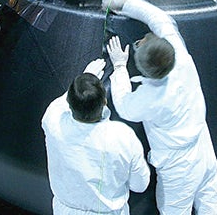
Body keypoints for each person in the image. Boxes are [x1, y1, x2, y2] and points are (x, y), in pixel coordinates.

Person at [104, 0, 217, 215]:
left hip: (179, 167)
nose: (141, 41)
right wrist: (125, 3)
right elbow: (160, 20)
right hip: (203, 146)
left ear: (143, 68)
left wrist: (120, 67)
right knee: (211, 203)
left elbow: (123, 106)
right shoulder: (180, 56)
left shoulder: (151, 97)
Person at [41, 58, 150, 214]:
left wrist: (87, 77)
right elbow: (140, 185)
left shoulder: (52, 121)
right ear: (105, 101)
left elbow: (61, 103)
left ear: (69, 103)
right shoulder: (123, 137)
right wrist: (119, 67)